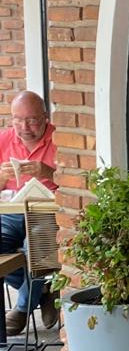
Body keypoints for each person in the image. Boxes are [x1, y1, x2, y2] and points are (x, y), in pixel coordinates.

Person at [0, 91, 58, 335]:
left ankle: (22, 308)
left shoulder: (60, 140)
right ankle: (43, 289)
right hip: (10, 211)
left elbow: (81, 184)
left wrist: (49, 173)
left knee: (37, 248)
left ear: (45, 117)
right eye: (17, 120)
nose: (24, 127)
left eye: (32, 120)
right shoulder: (4, 140)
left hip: (46, 211)